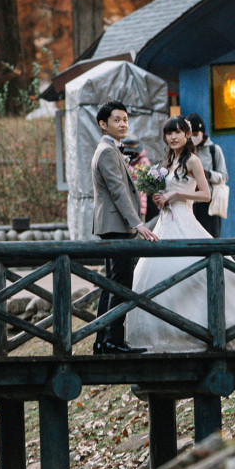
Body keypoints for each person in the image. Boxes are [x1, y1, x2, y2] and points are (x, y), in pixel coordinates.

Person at [127, 115, 235, 351]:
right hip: (165, 222)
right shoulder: (166, 163)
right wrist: (160, 197)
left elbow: (206, 195)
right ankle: (162, 335)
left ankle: (202, 330)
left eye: (177, 132)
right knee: (156, 275)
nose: (173, 137)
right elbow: (164, 192)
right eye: (169, 133)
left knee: (194, 271)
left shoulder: (193, 161)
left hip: (185, 219)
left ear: (187, 135)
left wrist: (177, 195)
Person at [91, 99, 156, 355]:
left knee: (112, 284)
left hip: (113, 224)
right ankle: (112, 341)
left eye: (125, 120)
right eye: (117, 120)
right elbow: (118, 192)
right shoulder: (107, 151)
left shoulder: (113, 149)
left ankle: (102, 341)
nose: (122, 124)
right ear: (103, 124)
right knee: (120, 284)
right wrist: (137, 223)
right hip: (115, 225)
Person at [186, 113, 229, 237]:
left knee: (211, 237)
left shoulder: (214, 150)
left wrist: (207, 174)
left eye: (196, 135)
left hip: (209, 201)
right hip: (191, 201)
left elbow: (224, 176)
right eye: (191, 135)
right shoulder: (186, 151)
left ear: (202, 133)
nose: (194, 138)